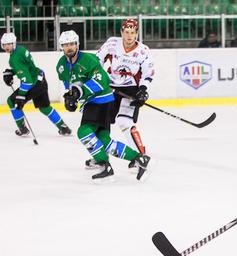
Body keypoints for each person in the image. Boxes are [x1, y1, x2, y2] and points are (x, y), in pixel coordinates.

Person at [56, 30, 151, 182]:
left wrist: (78, 93)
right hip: (91, 102)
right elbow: (70, 86)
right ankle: (139, 158)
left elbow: (102, 81)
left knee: (84, 132)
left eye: (72, 44)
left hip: (102, 100)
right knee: (104, 140)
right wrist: (71, 100)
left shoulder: (88, 59)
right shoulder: (61, 65)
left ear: (77, 44)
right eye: (66, 45)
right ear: (61, 47)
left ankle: (103, 164)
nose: (69, 47)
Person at [95, 18, 154, 170]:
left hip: (131, 89)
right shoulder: (112, 43)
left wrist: (143, 90)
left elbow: (148, 73)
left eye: (132, 33)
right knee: (101, 122)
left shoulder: (143, 51)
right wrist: (100, 79)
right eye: (126, 32)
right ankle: (100, 157)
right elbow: (97, 61)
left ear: (137, 34)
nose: (129, 36)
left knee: (124, 122)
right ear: (121, 32)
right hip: (110, 87)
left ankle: (141, 156)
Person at [2, 32, 71, 137]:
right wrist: (13, 72)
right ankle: (63, 127)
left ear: (14, 43)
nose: (7, 47)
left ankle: (22, 128)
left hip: (33, 84)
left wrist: (20, 96)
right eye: (4, 44)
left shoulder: (14, 59)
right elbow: (26, 67)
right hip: (41, 79)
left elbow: (27, 81)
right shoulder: (20, 50)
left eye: (9, 44)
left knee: (11, 101)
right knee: (44, 107)